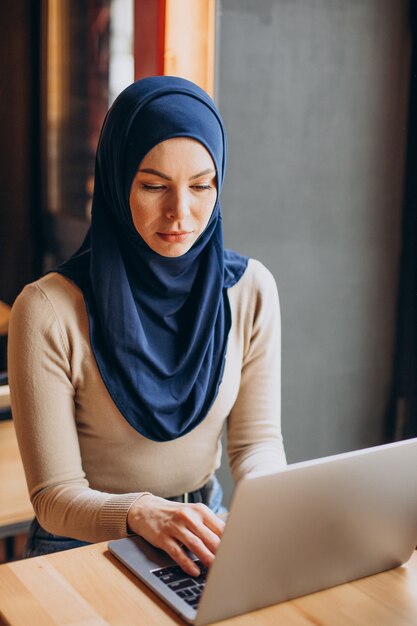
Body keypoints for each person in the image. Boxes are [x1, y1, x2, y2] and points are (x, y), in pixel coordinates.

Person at [8, 76, 286, 576]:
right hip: (79, 546)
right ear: (116, 183)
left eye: (202, 186)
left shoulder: (250, 291)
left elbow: (256, 445)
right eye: (154, 186)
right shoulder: (48, 309)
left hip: (204, 527)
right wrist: (142, 514)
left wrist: (279, 511)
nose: (181, 212)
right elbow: (53, 496)